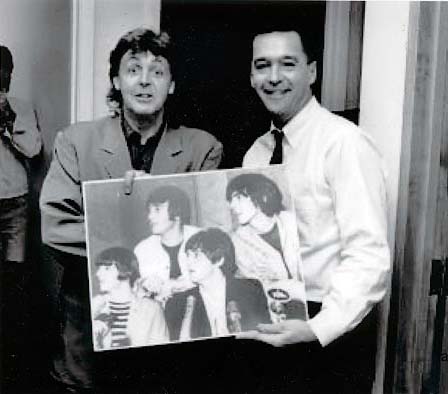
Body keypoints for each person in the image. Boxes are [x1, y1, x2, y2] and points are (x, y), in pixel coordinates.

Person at [40, 27, 222, 393]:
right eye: (132, 69)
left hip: (168, 334)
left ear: (171, 84)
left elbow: (210, 237)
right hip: (91, 330)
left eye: (157, 71)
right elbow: (55, 227)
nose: (144, 81)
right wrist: (127, 217)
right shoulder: (76, 141)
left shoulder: (203, 148)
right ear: (116, 80)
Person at [239, 28, 391, 393]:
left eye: (287, 64)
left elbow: (369, 254)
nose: (274, 77)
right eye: (263, 66)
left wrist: (316, 328)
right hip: (268, 329)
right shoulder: (256, 153)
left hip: (326, 339)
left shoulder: (344, 143)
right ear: (251, 77)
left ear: (312, 72)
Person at [0, 44, 42, 388]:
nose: (4, 79)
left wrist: (8, 124)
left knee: (15, 278)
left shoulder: (23, 109)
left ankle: (13, 355)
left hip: (16, 201)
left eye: (7, 72)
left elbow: (34, 150)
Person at [133, 185, 200, 341]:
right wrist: (144, 288)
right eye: (149, 211)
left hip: (199, 311)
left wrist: (172, 285)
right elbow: (138, 295)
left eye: (156, 210)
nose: (149, 217)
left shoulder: (200, 237)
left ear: (177, 214)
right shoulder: (142, 250)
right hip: (164, 321)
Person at [183, 227, 270, 339]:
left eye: (196, 255)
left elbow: (266, 334)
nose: (188, 262)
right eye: (188, 255)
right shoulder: (179, 303)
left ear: (219, 260)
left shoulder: (250, 290)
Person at [92, 247, 168, 350]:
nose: (98, 274)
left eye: (107, 268)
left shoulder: (152, 309)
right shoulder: (95, 307)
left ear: (126, 270)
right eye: (99, 269)